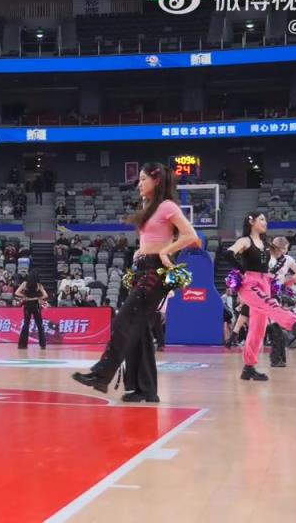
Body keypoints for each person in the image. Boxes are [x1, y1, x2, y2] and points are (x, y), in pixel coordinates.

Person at [72, 163, 200, 402]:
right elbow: (150, 238)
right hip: (143, 267)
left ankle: (102, 374)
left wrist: (166, 251)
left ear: (156, 180)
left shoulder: (167, 206)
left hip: (156, 270)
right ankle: (145, 390)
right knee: (139, 330)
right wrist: (141, 251)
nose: (139, 183)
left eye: (143, 179)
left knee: (123, 321)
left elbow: (192, 236)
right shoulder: (148, 206)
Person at [226, 214, 296, 381]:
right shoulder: (245, 241)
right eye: (261, 219)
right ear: (251, 222)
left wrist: (281, 280)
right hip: (250, 284)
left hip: (265, 283)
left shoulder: (265, 244)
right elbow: (228, 254)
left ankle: (248, 368)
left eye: (265, 219)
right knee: (270, 305)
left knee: (258, 329)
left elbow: (281, 257)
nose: (265, 222)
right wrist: (242, 270)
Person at [267, 236, 296, 367]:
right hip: (271, 294)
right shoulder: (285, 259)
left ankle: (278, 359)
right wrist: (285, 284)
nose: (284, 250)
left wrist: (285, 284)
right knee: (275, 326)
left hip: (269, 294)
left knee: (275, 326)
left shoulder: (272, 258)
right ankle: (278, 358)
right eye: (283, 248)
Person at [14, 269, 48, 349]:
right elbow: (45, 295)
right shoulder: (38, 285)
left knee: (26, 324)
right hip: (35, 304)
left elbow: (16, 292)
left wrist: (24, 296)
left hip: (27, 304)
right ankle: (42, 344)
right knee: (39, 324)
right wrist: (38, 298)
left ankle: (22, 344)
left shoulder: (24, 284)